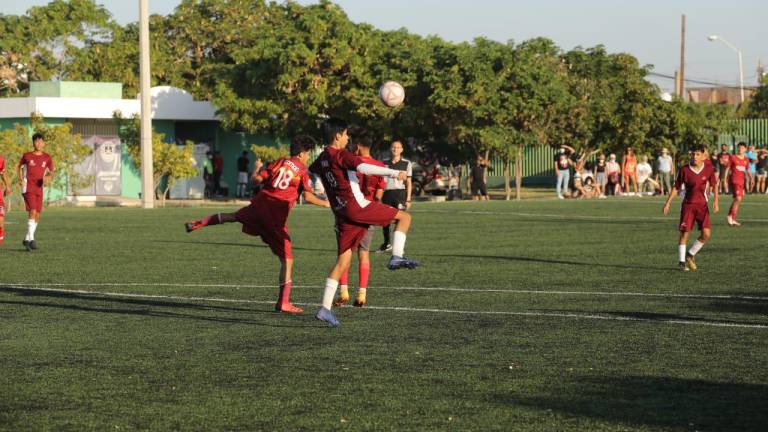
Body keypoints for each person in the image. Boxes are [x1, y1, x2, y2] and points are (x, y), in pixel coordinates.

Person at [184, 135, 330, 314]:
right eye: (308, 154)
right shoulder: (302, 171)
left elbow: (256, 180)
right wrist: (325, 203)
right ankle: (283, 302)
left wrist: (256, 168)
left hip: (260, 204)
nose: (308, 157)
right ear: (301, 154)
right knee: (287, 260)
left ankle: (198, 223)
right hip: (275, 215)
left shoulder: (280, 162)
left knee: (233, 216)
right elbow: (307, 196)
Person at [310, 118, 418, 327]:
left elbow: (311, 171)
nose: (348, 137)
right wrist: (395, 172)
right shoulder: (341, 155)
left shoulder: (322, 157)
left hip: (341, 212)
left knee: (342, 262)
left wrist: (319, 187)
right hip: (356, 206)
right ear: (338, 135)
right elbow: (366, 167)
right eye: (346, 133)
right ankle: (396, 256)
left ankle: (324, 308)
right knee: (404, 217)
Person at [334, 128, 387, 308]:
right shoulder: (379, 166)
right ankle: (362, 294)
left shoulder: (351, 162)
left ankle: (343, 290)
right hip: (368, 213)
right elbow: (379, 194)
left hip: (348, 212)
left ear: (357, 146)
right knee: (364, 254)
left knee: (345, 254)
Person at [662, 144, 719, 272]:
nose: (694, 156)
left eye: (697, 154)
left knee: (706, 234)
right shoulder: (684, 170)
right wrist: (668, 203)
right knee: (684, 234)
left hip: (703, 206)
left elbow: (715, 185)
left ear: (703, 156)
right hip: (688, 205)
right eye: (692, 154)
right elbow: (676, 187)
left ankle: (690, 254)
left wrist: (715, 201)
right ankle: (682, 262)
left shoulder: (709, 169)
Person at [17, 133, 55, 251]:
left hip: (39, 188)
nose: (38, 143)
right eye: (36, 141)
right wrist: (21, 179)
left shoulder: (47, 157)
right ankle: (32, 239)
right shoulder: (27, 156)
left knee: (37, 214)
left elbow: (51, 172)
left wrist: (48, 178)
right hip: (28, 187)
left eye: (40, 141)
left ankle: (27, 239)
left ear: (43, 143)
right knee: (32, 211)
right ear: (33, 143)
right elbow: (19, 167)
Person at [378, 140, 412, 252]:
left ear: (402, 149)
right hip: (387, 194)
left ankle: (398, 246)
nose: (395, 149)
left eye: (398, 147)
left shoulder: (406, 163)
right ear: (390, 149)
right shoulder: (384, 163)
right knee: (385, 219)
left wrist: (408, 199)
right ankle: (387, 243)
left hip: (400, 194)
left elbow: (409, 183)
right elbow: (380, 180)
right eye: (393, 147)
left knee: (400, 220)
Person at [723, 142, 751, 226]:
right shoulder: (732, 157)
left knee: (738, 200)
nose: (740, 149)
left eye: (742, 148)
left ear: (745, 149)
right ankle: (730, 217)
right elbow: (727, 169)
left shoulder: (746, 159)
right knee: (738, 198)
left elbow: (747, 170)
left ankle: (732, 218)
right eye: (739, 148)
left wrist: (751, 178)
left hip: (742, 182)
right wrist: (724, 180)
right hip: (734, 181)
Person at [0, 152, 11, 246]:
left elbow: (3, 174)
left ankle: (1, 237)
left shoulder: (0, 159)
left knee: (0, 221)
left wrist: (7, 186)